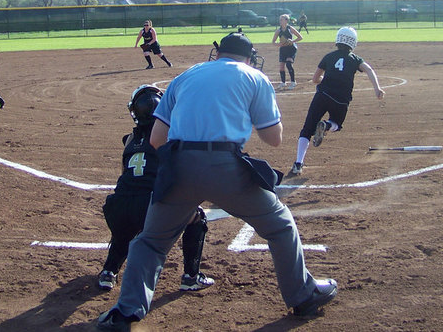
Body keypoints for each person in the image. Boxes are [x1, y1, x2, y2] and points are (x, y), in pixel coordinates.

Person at [96, 31, 337, 331]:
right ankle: (303, 296)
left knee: (150, 242)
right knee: (281, 225)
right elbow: (273, 139)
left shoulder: (185, 76)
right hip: (226, 168)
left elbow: (157, 139)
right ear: (248, 57)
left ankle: (125, 313)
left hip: (178, 168)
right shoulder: (254, 77)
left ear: (218, 53)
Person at [97, 84, 213, 294]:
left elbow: (124, 173)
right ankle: (191, 277)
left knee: (126, 227)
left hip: (116, 207)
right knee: (197, 217)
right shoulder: (168, 135)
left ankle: (108, 273)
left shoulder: (129, 140)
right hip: (149, 207)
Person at [290, 27, 385, 176]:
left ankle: (298, 163)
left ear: (338, 40)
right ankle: (327, 125)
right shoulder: (355, 59)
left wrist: (324, 79)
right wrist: (377, 89)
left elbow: (315, 79)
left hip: (322, 95)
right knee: (336, 123)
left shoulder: (328, 57)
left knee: (307, 129)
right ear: (353, 42)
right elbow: (369, 69)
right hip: (341, 100)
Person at [271, 14, 303, 89]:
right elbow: (273, 42)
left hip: (291, 48)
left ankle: (293, 82)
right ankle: (283, 82)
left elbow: (300, 37)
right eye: (280, 20)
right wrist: (279, 44)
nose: (280, 21)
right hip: (283, 49)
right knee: (281, 67)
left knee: (288, 64)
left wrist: (292, 41)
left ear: (286, 20)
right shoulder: (278, 31)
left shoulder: (290, 29)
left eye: (282, 20)